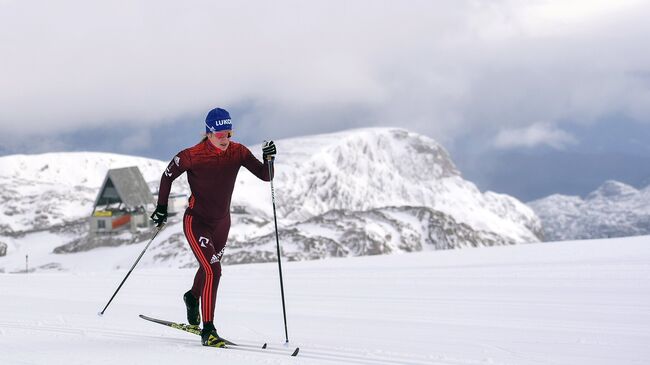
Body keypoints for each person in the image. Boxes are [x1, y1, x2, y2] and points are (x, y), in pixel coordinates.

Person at [150, 107, 277, 347]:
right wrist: (162, 208)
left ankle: (192, 296)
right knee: (213, 270)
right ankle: (208, 330)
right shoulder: (191, 155)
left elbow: (265, 175)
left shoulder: (238, 152)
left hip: (222, 224)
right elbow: (167, 176)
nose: (224, 138)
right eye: (219, 133)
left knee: (210, 266)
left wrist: (269, 159)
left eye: (228, 133)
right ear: (208, 133)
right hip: (196, 222)